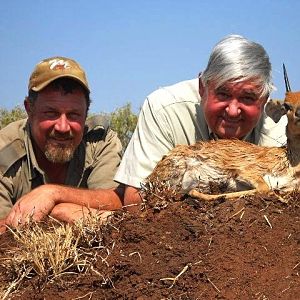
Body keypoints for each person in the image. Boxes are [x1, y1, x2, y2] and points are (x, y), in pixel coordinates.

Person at [114, 34, 287, 208]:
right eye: (223, 94)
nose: (233, 111)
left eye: (247, 98)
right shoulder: (165, 107)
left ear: (264, 100)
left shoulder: (284, 130)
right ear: (202, 88)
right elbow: (135, 199)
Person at [0, 56, 123, 228]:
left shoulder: (100, 140)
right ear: (29, 109)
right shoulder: (3, 150)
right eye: (51, 113)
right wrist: (57, 215)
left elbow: (117, 200)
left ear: (86, 114)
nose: (63, 127)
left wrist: (53, 194)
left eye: (74, 115)